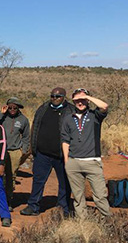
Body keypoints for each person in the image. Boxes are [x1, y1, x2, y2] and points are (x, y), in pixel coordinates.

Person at [20, 87, 74, 216]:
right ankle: (33, 206)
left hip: (62, 155)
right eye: (52, 96)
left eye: (58, 96)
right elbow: (35, 126)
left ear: (64, 97)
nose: (55, 99)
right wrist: (33, 147)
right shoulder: (43, 108)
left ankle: (63, 208)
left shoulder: (71, 110)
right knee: (38, 180)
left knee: (65, 182)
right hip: (42, 153)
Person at [62, 88, 110, 218]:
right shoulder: (68, 119)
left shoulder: (95, 115)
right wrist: (67, 161)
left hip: (92, 162)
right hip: (74, 162)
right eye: (77, 100)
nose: (80, 102)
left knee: (100, 195)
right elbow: (65, 140)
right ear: (73, 101)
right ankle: (83, 223)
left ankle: (109, 221)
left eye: (83, 99)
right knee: (78, 196)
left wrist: (87, 97)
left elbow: (104, 106)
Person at [0, 97, 30, 211]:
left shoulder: (23, 120)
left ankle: (8, 200)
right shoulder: (0, 116)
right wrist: (1, 113)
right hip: (0, 150)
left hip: (14, 151)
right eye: (10, 107)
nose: (12, 109)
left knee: (11, 176)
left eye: (15, 107)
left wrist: (23, 151)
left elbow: (26, 136)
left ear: (19, 108)